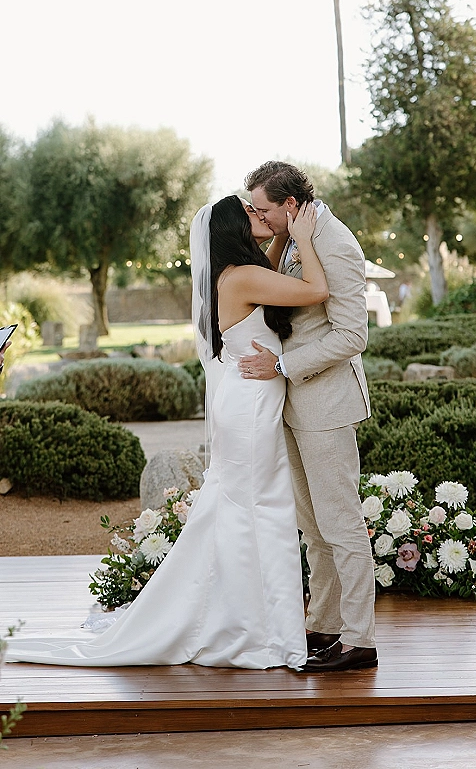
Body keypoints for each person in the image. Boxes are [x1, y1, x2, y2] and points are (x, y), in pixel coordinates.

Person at [6, 195, 328, 670]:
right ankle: (255, 632)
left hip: (249, 401)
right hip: (250, 407)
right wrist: (300, 236)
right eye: (252, 212)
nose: (262, 215)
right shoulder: (242, 277)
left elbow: (281, 274)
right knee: (257, 511)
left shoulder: (241, 272)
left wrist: (283, 236)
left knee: (250, 510)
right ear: (234, 228)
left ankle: (256, 626)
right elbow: (317, 290)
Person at [240, 161, 377, 673]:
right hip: (296, 404)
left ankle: (360, 640)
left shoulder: (336, 242)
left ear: (290, 205)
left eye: (264, 208)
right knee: (312, 525)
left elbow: (351, 336)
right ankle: (324, 624)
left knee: (341, 524)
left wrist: (281, 365)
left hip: (327, 404)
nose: (259, 216)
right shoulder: (298, 236)